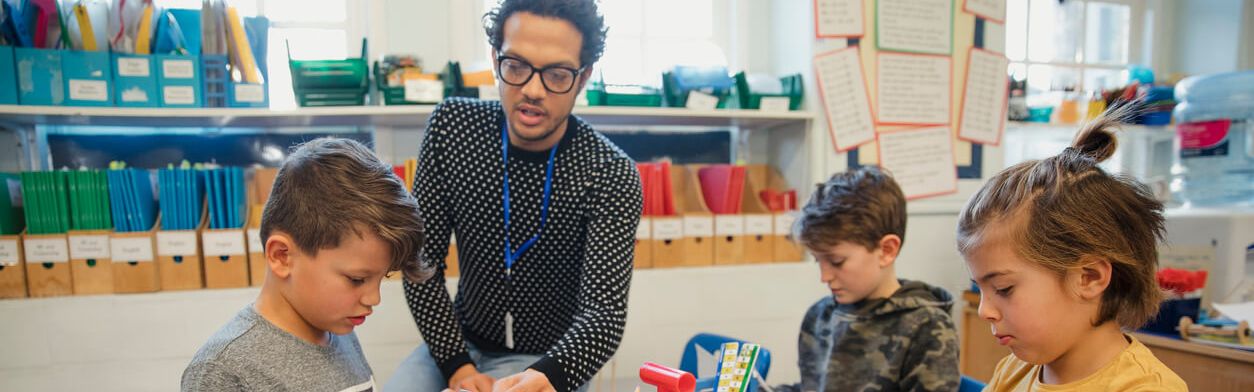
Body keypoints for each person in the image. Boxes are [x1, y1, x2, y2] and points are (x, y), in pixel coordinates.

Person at [384, 1, 641, 391]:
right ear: (495, 58)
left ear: (584, 76)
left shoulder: (609, 171)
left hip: (550, 360)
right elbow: (423, 264)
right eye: (517, 67)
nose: (533, 90)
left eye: (556, 74)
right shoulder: (453, 130)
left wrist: (548, 375)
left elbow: (603, 312)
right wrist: (458, 367)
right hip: (457, 345)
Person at [957, 107, 1187, 391]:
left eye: (1003, 289)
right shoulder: (1014, 371)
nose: (984, 311)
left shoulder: (1147, 388)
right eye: (981, 290)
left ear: (1088, 277)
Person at [181, 138, 431, 391]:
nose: (373, 298)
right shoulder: (223, 371)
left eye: (382, 278)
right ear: (282, 256)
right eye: (357, 279)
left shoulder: (337, 330)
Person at [777, 167, 960, 392]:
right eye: (818, 261)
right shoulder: (819, 316)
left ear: (886, 250)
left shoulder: (927, 327)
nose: (824, 277)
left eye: (836, 262)